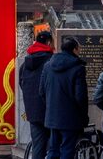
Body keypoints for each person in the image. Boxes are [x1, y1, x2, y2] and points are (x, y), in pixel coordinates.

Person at [40, 37, 88, 159]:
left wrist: (51, 106)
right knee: (67, 149)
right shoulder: (78, 68)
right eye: (79, 49)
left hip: (52, 116)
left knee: (53, 149)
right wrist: (83, 115)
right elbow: (80, 96)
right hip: (71, 117)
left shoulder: (47, 66)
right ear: (74, 49)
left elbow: (42, 91)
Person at [19, 31, 55, 159]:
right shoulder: (52, 61)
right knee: (53, 145)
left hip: (32, 110)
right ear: (49, 42)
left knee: (38, 145)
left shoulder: (25, 63)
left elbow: (21, 84)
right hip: (50, 108)